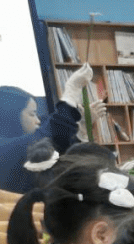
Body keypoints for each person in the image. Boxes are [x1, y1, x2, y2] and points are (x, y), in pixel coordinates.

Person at [0, 63, 94, 193]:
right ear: (11, 116)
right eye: (32, 114)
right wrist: (72, 91)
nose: (38, 120)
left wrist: (82, 126)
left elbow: (62, 150)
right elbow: (51, 134)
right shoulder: (5, 148)